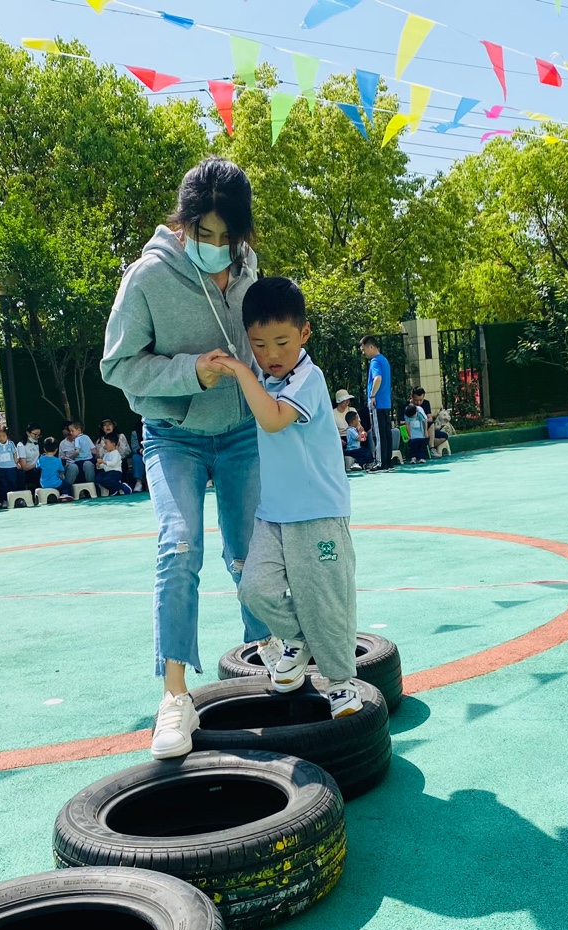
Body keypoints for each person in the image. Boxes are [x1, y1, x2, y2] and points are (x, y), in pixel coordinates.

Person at [101, 156, 271, 759]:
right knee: (179, 547)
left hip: (243, 432)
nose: (218, 248)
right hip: (173, 435)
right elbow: (117, 366)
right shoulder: (147, 277)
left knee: (251, 554)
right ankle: (175, 696)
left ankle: (265, 661)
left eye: (230, 237)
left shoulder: (248, 268)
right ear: (183, 222)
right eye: (206, 234)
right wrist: (190, 371)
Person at [206, 277, 362, 719]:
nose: (270, 354)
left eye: (281, 342)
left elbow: (274, 420)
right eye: (258, 345)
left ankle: (340, 683)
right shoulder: (264, 377)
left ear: (304, 333)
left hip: (317, 513)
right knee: (254, 590)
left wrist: (241, 370)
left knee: (324, 599)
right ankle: (298, 639)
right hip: (273, 514)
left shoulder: (309, 378)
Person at [361, 335, 393, 471]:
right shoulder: (384, 360)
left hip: (377, 403)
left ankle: (380, 462)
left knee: (378, 434)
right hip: (386, 403)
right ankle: (387, 462)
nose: (363, 353)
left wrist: (372, 395)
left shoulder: (375, 362)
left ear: (371, 347)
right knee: (386, 433)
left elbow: (377, 378)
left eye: (364, 349)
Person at [0, 425, 19, 505]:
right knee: (3, 484)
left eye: (3, 436)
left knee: (12, 483)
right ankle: (4, 500)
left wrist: (16, 463)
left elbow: (14, 453)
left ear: (7, 436)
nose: (1, 438)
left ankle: (13, 499)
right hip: (1, 468)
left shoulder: (11, 444)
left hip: (11, 467)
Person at [63, 422, 97, 488]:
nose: (71, 433)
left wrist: (71, 456)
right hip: (88, 460)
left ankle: (66, 489)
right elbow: (94, 451)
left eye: (72, 431)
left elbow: (77, 451)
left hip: (79, 461)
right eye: (70, 431)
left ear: (79, 430)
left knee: (86, 465)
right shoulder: (87, 437)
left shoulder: (77, 439)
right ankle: (92, 488)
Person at [16, 423, 42, 492]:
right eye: (35, 434)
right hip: (28, 472)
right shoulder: (21, 445)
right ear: (28, 433)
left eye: (39, 435)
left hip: (38, 469)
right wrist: (37, 464)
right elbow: (24, 467)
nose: (37, 437)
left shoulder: (36, 443)